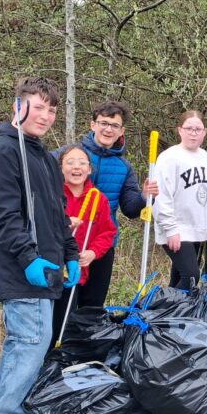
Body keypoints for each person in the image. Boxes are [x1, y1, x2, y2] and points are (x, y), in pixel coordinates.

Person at [0, 77, 79, 414]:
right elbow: (3, 216)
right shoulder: (2, 151)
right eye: (38, 107)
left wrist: (69, 252)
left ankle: (13, 410)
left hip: (49, 263)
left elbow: (58, 214)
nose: (46, 116)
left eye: (51, 109)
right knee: (29, 342)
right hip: (20, 267)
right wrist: (29, 258)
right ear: (18, 106)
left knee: (32, 342)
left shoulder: (43, 156)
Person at [73, 100, 155, 308]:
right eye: (104, 123)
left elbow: (130, 208)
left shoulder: (123, 166)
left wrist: (144, 196)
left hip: (102, 245)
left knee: (92, 306)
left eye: (114, 125)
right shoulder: (70, 155)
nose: (108, 129)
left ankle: (88, 341)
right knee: (65, 303)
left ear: (121, 131)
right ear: (93, 125)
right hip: (70, 240)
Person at [50, 146, 116, 349]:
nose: (76, 167)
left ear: (89, 169)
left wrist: (93, 252)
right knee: (60, 319)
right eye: (70, 162)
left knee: (88, 317)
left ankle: (82, 356)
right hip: (61, 269)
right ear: (61, 168)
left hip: (89, 265)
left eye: (82, 162)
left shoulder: (98, 198)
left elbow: (107, 232)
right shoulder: (52, 196)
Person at [153, 110, 207, 290]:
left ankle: (171, 316)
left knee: (178, 278)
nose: (193, 133)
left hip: (195, 227)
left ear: (205, 132)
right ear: (180, 130)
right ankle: (157, 311)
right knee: (191, 276)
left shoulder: (204, 156)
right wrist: (171, 229)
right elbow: (162, 196)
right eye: (189, 128)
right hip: (177, 228)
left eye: (198, 129)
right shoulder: (169, 157)